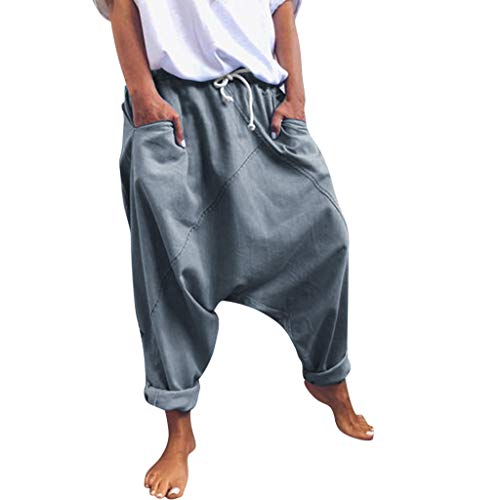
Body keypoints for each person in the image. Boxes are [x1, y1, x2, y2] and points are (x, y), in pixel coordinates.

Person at [93, 0, 374, 497]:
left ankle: (328, 376)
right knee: (170, 269)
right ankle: (179, 430)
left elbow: (280, 8)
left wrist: (296, 97)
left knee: (326, 235)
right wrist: (142, 95)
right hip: (172, 109)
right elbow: (121, 5)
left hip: (260, 103)